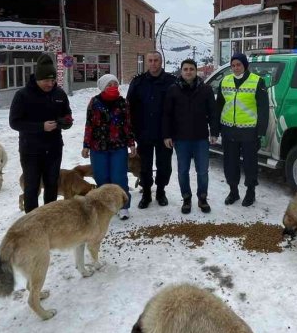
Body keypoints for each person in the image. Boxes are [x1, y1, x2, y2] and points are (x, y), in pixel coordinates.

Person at [9, 53, 73, 213]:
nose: (50, 84)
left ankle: (49, 217)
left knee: (52, 184)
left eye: (53, 80)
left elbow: (68, 115)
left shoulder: (59, 94)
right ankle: (32, 220)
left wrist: (66, 122)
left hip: (54, 148)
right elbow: (14, 122)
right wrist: (40, 127)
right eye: (46, 80)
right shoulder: (23, 95)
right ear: (37, 78)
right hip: (31, 150)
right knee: (32, 186)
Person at [163, 58, 219, 214]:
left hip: (201, 138)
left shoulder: (205, 89)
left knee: (203, 171)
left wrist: (214, 132)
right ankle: (186, 198)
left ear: (196, 71)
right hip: (181, 139)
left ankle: (202, 198)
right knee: (182, 171)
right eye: (185, 69)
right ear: (181, 71)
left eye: (191, 69)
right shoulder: (173, 90)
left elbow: (213, 113)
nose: (188, 72)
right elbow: (167, 115)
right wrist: (167, 135)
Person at [215, 52, 269, 207]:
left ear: (245, 66)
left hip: (249, 131)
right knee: (230, 163)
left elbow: (263, 109)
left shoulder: (257, 81)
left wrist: (260, 132)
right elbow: (219, 106)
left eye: (238, 65)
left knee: (250, 164)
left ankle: (250, 192)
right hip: (228, 130)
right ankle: (233, 191)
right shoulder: (225, 81)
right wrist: (216, 129)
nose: (235, 68)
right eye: (233, 65)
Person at [81, 73, 134, 220]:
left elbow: (128, 125)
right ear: (103, 87)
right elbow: (89, 125)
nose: (113, 87)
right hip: (98, 147)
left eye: (115, 84)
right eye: (109, 85)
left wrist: (131, 144)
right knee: (102, 178)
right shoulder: (94, 102)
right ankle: (105, 207)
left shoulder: (123, 103)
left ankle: (123, 206)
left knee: (119, 177)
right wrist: (86, 145)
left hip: (118, 147)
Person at [127, 51, 176, 208]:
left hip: (165, 133)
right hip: (144, 132)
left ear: (161, 62)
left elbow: (177, 108)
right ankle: (146, 193)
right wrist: (132, 132)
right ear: (146, 62)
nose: (153, 63)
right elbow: (129, 108)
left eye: (156, 60)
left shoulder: (172, 82)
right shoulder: (138, 82)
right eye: (150, 60)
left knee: (164, 166)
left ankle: (161, 191)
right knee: (144, 166)